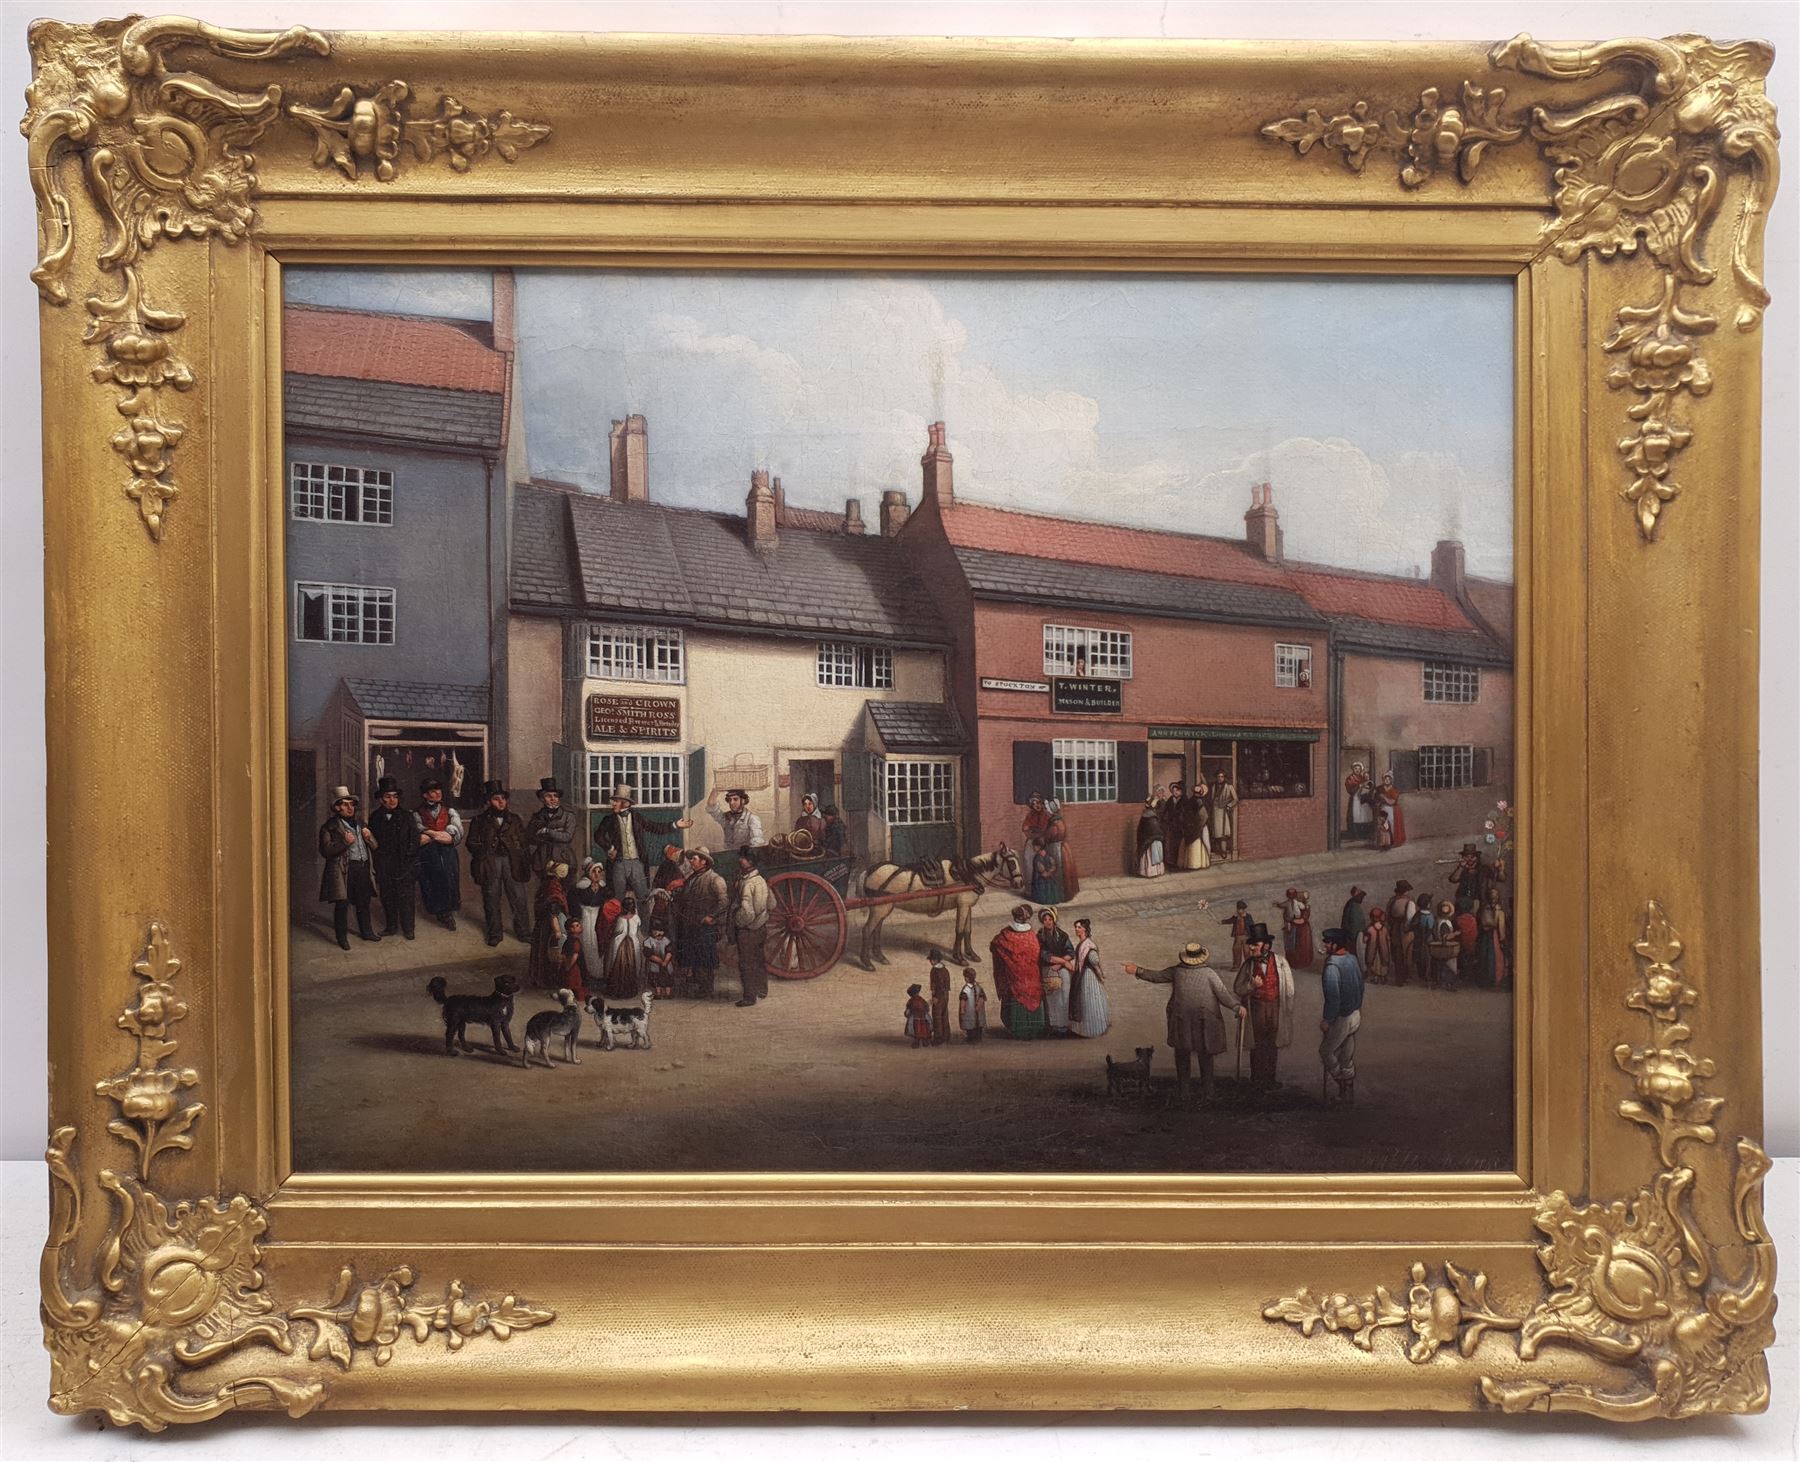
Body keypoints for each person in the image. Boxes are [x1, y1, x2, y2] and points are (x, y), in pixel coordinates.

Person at [1126, 943, 1243, 1104]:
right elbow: (1158, 976)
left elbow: (1223, 994)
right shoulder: (1184, 972)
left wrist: (1236, 1006)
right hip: (1188, 1020)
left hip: (1197, 1021)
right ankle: (1188, 1093)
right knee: (1189, 1056)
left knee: (1199, 1056)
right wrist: (1138, 971)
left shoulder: (1203, 973)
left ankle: (1204, 1093)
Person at [593, 783, 693, 901]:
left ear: (626, 803)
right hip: (618, 864)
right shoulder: (608, 820)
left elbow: (655, 827)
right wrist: (609, 848)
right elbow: (598, 836)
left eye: (616, 801)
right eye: (614, 801)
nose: (613, 803)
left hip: (637, 863)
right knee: (617, 898)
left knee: (644, 898)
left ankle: (644, 920)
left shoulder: (638, 818)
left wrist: (675, 825)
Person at [466, 780, 531, 947]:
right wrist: (487, 851)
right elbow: (471, 843)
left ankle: (524, 932)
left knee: (519, 898)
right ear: (489, 801)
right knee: (491, 898)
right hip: (490, 863)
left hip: (512, 862)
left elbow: (524, 842)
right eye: (496, 798)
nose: (501, 802)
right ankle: (495, 934)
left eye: (503, 798)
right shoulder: (479, 821)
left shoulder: (515, 819)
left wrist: (514, 849)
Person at [1231, 922, 1293, 1088]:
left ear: (1266, 945)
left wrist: (1286, 1008)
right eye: (1251, 945)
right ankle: (1257, 1079)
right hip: (1256, 1008)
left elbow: (1289, 989)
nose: (1251, 948)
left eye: (1255, 945)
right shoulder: (1248, 965)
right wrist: (1251, 986)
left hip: (1275, 1007)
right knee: (1257, 1044)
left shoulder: (1281, 962)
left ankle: (1270, 1079)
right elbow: (1237, 988)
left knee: (1272, 1043)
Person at [318, 786, 380, 950]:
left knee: (363, 902)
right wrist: (344, 842)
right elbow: (326, 851)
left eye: (351, 804)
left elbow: (374, 846)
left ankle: (367, 932)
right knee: (342, 905)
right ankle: (342, 938)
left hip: (363, 868)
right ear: (336, 807)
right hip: (343, 870)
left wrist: (369, 837)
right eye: (345, 804)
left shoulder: (361, 823)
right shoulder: (329, 827)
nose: (350, 808)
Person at [367, 776, 419, 940]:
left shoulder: (407, 816)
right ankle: (391, 927)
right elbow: (373, 843)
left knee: (406, 899)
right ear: (381, 799)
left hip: (405, 865)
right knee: (387, 897)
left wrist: (408, 859)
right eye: (388, 796)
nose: (392, 800)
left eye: (395, 796)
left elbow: (415, 840)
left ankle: (409, 929)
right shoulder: (375, 817)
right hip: (384, 866)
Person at [1318, 928, 1365, 1105]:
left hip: (1342, 1017)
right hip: (1356, 1014)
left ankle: (1342, 1084)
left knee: (1326, 1051)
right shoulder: (1352, 959)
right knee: (1346, 1055)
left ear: (1336, 944)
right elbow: (1361, 988)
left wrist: (1327, 1020)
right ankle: (1348, 1093)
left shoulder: (1332, 966)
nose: (1325, 945)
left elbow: (1333, 997)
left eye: (1328, 942)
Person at [677, 847, 728, 998]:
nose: (691, 861)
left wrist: (711, 917)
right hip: (691, 924)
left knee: (705, 956)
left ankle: (706, 988)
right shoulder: (691, 878)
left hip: (706, 926)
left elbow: (724, 902)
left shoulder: (715, 879)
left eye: (694, 858)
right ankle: (698, 984)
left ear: (703, 861)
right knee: (694, 955)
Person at [414, 776, 464, 932]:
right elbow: (418, 838)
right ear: (425, 795)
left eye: (438, 790)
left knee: (449, 879)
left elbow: (454, 836)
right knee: (432, 880)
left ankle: (448, 913)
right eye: (433, 791)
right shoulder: (416, 813)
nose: (437, 793)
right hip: (427, 854)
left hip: (448, 853)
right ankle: (439, 912)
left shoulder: (450, 811)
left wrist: (430, 834)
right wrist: (438, 834)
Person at [988, 903, 1045, 1039]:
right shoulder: (1031, 936)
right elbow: (1036, 953)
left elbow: (994, 945)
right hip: (1031, 976)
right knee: (1032, 992)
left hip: (1015, 978)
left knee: (1015, 996)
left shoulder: (1006, 935)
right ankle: (1035, 1028)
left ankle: (1018, 1029)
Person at [732, 847, 771, 1007]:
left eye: (743, 858)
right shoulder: (760, 880)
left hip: (749, 930)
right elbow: (772, 903)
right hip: (761, 927)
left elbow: (748, 913)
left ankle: (749, 997)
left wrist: (737, 922)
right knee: (759, 959)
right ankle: (762, 989)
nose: (740, 860)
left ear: (750, 862)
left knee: (746, 963)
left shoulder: (748, 883)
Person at [526, 777, 578, 897]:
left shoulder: (568, 816)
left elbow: (567, 837)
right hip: (542, 861)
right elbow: (530, 838)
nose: (553, 799)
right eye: (549, 796)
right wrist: (555, 833)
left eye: (555, 795)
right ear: (542, 799)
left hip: (564, 859)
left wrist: (548, 831)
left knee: (565, 895)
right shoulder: (537, 817)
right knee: (545, 894)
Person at [528, 862, 571, 987]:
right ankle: (550, 980)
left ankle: (541, 977)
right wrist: (557, 930)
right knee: (552, 951)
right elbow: (553, 911)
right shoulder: (553, 888)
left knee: (542, 949)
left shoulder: (547, 884)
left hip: (544, 924)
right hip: (551, 924)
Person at [1068, 916, 1111, 1039]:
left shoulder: (1088, 945)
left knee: (1089, 1001)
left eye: (1079, 927)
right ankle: (1082, 1029)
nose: (1076, 929)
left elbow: (1094, 960)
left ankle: (1093, 1029)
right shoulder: (1081, 943)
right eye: (1076, 927)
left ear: (1085, 929)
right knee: (1082, 1001)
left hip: (1088, 977)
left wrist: (1100, 973)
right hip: (1081, 975)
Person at [1036, 907, 1076, 1036]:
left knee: (1065, 991)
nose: (1048, 922)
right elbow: (1043, 954)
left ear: (1054, 920)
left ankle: (1064, 1024)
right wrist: (1062, 962)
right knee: (1052, 995)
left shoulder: (1062, 934)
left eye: (1050, 919)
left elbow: (1070, 952)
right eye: (1045, 919)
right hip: (1048, 967)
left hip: (1060, 967)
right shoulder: (1040, 936)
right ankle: (1054, 1025)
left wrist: (1061, 963)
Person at [601, 891, 645, 1001]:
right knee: (630, 965)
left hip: (620, 944)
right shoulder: (636, 918)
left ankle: (618, 990)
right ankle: (629, 990)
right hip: (632, 944)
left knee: (618, 965)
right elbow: (636, 930)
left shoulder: (620, 919)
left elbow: (618, 931)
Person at [705, 787, 765, 854]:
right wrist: (716, 789)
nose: (731, 802)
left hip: (745, 856)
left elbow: (757, 843)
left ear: (743, 801)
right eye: (729, 800)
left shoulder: (752, 818)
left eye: (735, 799)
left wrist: (747, 858)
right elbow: (711, 805)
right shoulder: (726, 817)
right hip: (728, 855)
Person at [1044, 797, 1081, 898]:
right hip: (1062, 847)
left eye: (1047, 811)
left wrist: (1043, 838)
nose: (1046, 812)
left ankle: (1059, 894)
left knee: (1057, 871)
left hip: (1055, 849)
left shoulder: (1054, 824)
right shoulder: (1060, 821)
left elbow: (1048, 837)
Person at [1386, 881, 1417, 986]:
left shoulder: (1391, 901)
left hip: (1394, 929)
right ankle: (1404, 978)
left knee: (1397, 953)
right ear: (1406, 891)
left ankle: (1398, 978)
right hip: (1404, 930)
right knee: (1406, 952)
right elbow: (1410, 919)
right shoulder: (1409, 903)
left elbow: (1387, 917)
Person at [1477, 887, 1509, 987]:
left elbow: (1501, 926)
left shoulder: (1500, 910)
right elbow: (1483, 923)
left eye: (1495, 898)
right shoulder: (1484, 909)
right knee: (1485, 956)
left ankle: (1495, 980)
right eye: (1491, 897)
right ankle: (1486, 980)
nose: (1493, 900)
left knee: (1496, 957)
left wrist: (1502, 938)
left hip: (1496, 936)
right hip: (1486, 936)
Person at [1427, 901, 1463, 991]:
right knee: (1448, 966)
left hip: (1439, 946)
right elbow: (1445, 937)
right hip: (1445, 947)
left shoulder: (1438, 920)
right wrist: (1455, 934)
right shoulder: (1444, 923)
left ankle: (1441, 983)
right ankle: (1448, 985)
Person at [1176, 780, 1211, 869]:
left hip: (1189, 826)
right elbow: (1203, 816)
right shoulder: (1199, 801)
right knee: (1201, 842)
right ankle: (1196, 864)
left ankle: (1189, 863)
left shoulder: (1190, 800)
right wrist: (1201, 825)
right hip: (1197, 826)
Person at [1277, 888, 1315, 970]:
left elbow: (1302, 918)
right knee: (1291, 945)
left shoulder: (1300, 905)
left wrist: (1293, 920)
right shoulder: (1288, 903)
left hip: (1301, 929)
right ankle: (1292, 962)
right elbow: (1284, 911)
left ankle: (1301, 963)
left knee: (1300, 945)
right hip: (1292, 927)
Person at [925, 950, 954, 1046]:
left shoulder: (935, 970)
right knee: (944, 1015)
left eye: (931, 960)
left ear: (936, 960)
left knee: (937, 1016)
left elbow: (939, 985)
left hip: (939, 995)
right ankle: (946, 1036)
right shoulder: (945, 969)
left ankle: (938, 1038)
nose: (930, 961)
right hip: (946, 995)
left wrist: (935, 997)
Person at [1410, 892, 1438, 987]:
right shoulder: (1430, 916)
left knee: (1422, 956)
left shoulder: (1418, 915)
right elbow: (1433, 929)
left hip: (1421, 939)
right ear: (1428, 904)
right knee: (1423, 956)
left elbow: (1412, 925)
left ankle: (1423, 974)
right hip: (1425, 940)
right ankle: (1424, 974)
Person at [644, 916, 676, 999]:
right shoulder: (648, 941)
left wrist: (665, 961)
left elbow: (670, 951)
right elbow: (649, 954)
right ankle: (658, 993)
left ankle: (668, 993)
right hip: (655, 964)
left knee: (668, 978)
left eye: (660, 930)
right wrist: (660, 961)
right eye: (655, 930)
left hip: (666, 964)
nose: (658, 933)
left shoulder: (666, 940)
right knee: (656, 979)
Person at [1135, 795, 1166, 879]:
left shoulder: (1145, 815)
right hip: (1152, 841)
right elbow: (1155, 831)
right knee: (1151, 856)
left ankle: (1148, 872)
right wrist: (1160, 835)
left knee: (1149, 856)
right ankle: (1151, 872)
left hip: (1149, 840)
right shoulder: (1151, 817)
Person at [1209, 770, 1238, 859]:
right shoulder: (1214, 786)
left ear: (1224, 778)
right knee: (1216, 832)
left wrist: (1229, 806)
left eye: (1222, 777)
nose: (1220, 778)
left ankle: (1224, 851)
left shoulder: (1229, 787)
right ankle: (1218, 850)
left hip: (1223, 811)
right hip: (1215, 811)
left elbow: (1236, 799)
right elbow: (1212, 798)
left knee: (1223, 832)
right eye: (1218, 777)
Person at [1374, 772, 1407, 849]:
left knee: (1390, 825)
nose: (1387, 780)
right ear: (1383, 780)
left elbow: (1392, 801)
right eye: (1385, 779)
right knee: (1382, 826)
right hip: (1382, 810)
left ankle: (1391, 842)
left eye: (1389, 779)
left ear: (1391, 780)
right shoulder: (1379, 788)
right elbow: (1375, 798)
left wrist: (1384, 797)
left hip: (1391, 810)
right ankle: (1383, 843)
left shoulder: (1394, 790)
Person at [1361, 905, 1393, 984]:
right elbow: (1388, 939)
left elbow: (1365, 940)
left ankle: (1375, 977)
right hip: (1383, 950)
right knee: (1383, 963)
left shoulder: (1370, 929)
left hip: (1372, 950)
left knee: (1374, 963)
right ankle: (1382, 977)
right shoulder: (1385, 928)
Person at [958, 966, 990, 1043]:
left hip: (971, 1010)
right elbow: (981, 997)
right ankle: (974, 1039)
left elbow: (963, 1000)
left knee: (974, 1025)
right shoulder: (977, 987)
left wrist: (962, 1009)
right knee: (973, 1025)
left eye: (965, 977)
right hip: (972, 1010)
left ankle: (974, 1039)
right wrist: (978, 1006)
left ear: (968, 978)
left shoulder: (967, 989)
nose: (965, 978)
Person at [1454, 844, 1488, 913]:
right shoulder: (1462, 870)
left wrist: (1500, 869)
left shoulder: (1483, 869)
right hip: (1463, 903)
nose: (1469, 860)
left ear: (1477, 858)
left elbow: (1501, 877)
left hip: (1479, 903)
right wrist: (1460, 867)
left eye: (1472, 857)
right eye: (1466, 857)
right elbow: (1453, 879)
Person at [1344, 760, 1374, 839]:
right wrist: (1359, 786)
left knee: (1364, 815)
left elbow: (1368, 785)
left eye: (1358, 768)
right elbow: (1350, 789)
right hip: (1355, 799)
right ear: (1353, 769)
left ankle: (1364, 834)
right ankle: (1355, 835)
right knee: (1355, 815)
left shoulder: (1362, 777)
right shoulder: (1350, 778)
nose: (1357, 770)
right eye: (1355, 768)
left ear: (1361, 769)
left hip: (1363, 799)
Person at [1220, 900, 1252, 970]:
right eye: (1238, 909)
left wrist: (1252, 936)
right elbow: (1229, 920)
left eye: (1240, 909)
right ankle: (1236, 966)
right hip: (1238, 937)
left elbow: (1252, 926)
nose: (1238, 911)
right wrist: (1222, 922)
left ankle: (1249, 966)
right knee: (1236, 950)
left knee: (1247, 951)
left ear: (1243, 909)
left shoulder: (1248, 917)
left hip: (1246, 937)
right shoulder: (1235, 917)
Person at [1028, 838, 1060, 905]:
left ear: (1039, 846)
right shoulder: (1048, 856)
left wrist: (1047, 873)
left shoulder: (1037, 858)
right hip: (1047, 878)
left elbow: (1044, 870)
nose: (1033, 848)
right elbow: (1052, 866)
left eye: (1035, 846)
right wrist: (1050, 872)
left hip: (1040, 883)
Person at [903, 984, 933, 1048]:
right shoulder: (921, 999)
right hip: (922, 1017)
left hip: (916, 1018)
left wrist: (907, 1013)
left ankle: (919, 1042)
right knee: (923, 1030)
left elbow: (908, 1009)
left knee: (917, 1030)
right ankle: (924, 1042)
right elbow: (926, 1007)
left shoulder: (911, 1001)